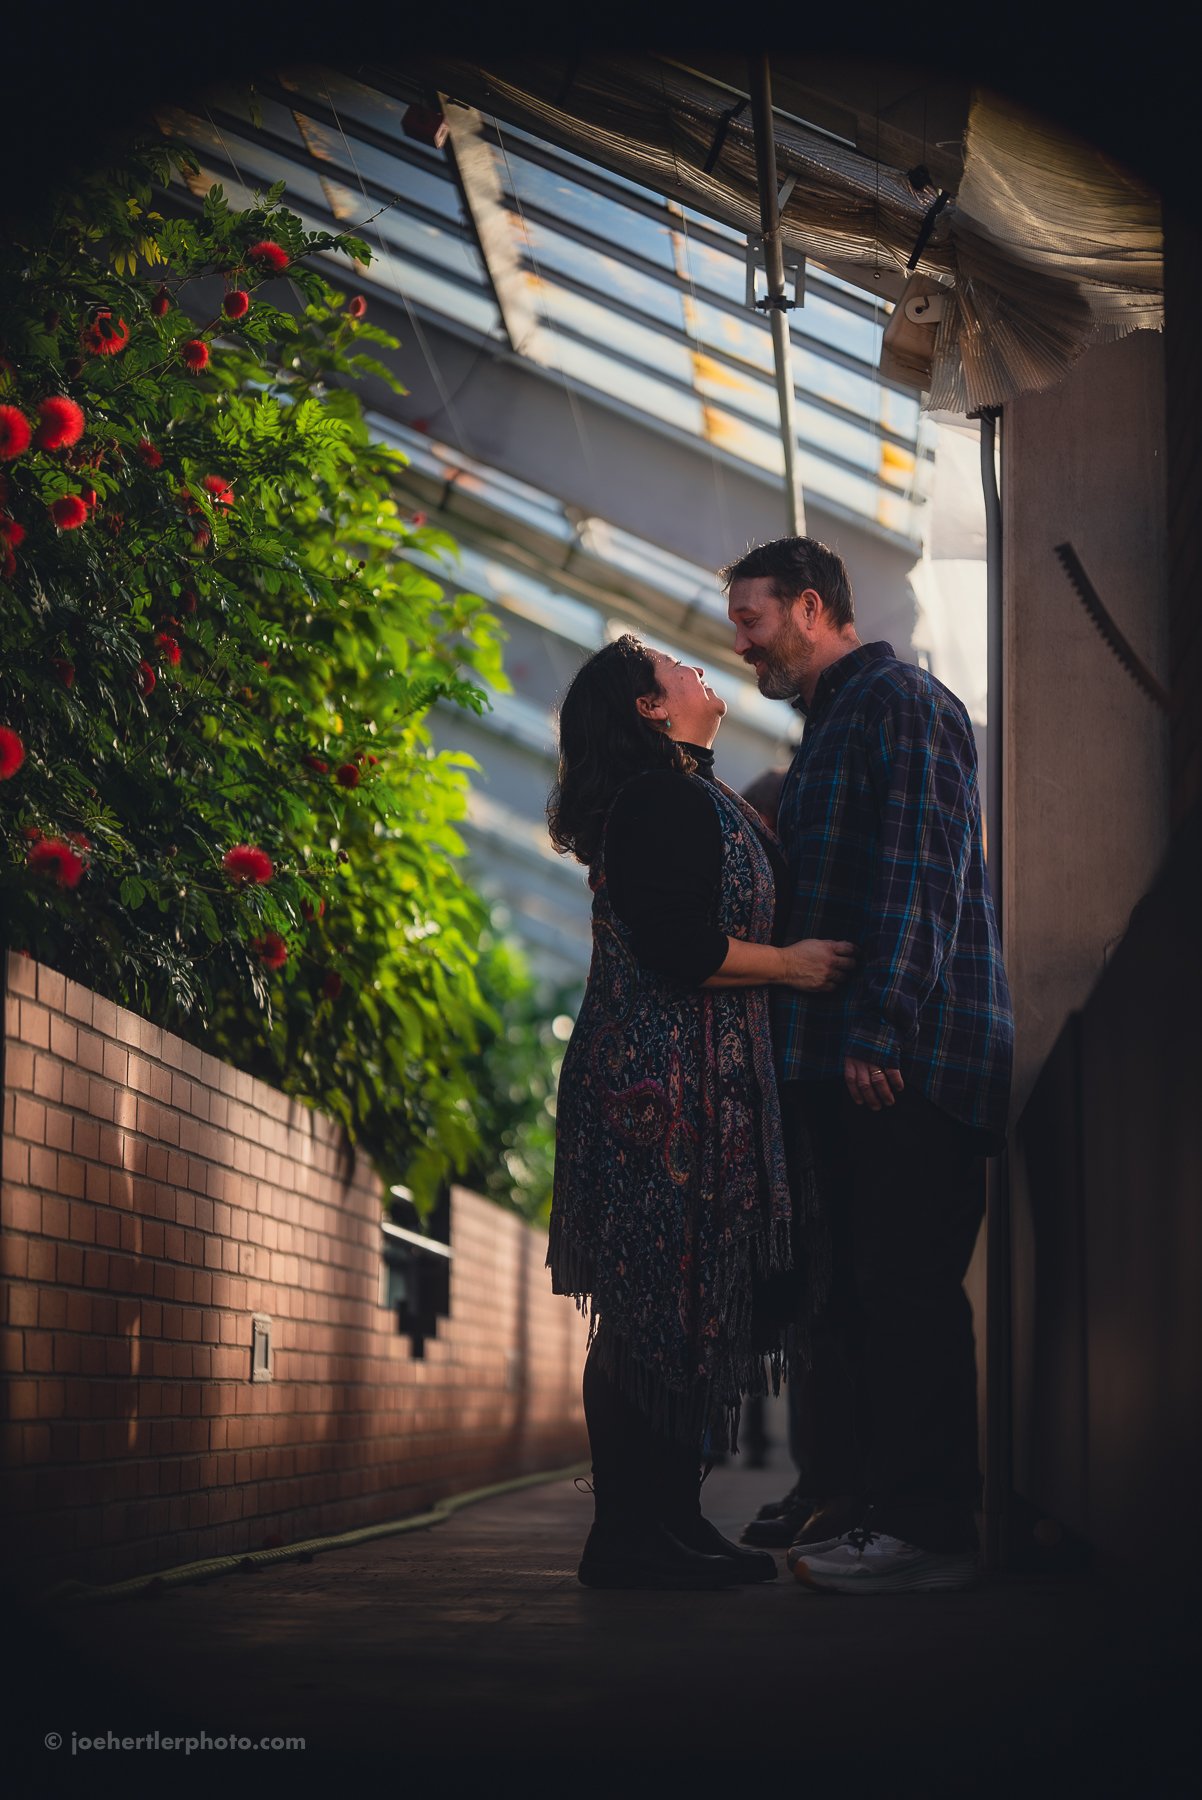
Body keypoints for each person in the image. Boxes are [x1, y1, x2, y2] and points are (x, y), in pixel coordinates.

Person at [723, 537, 1014, 1594]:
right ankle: (865, 1511)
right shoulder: (832, 726)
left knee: (905, 1291)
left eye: (751, 621)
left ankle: (930, 1531)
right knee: (852, 1297)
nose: (741, 646)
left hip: (905, 1060)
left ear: (810, 606)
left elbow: (920, 877)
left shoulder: (900, 701)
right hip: (853, 1062)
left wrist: (880, 1026)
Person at [546, 633, 856, 1591]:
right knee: (651, 1306)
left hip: (702, 1087)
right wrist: (794, 965)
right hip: (658, 1096)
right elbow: (683, 945)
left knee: (689, 1309)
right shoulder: (660, 800)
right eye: (673, 668)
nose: (696, 671)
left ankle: (666, 1522)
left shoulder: (695, 794)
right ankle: (631, 1532)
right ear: (648, 708)